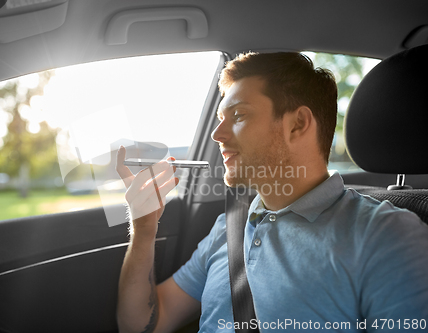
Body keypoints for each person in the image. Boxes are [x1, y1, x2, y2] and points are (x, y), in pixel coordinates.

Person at [115, 52, 428, 332]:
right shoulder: (228, 228)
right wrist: (144, 228)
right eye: (220, 118)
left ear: (297, 124)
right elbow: (145, 324)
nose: (216, 134)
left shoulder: (387, 237)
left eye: (238, 115)